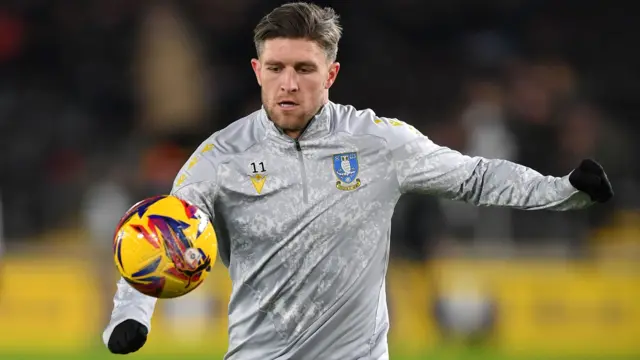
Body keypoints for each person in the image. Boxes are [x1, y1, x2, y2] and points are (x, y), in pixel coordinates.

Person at [103, 3, 613, 359]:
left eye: (305, 67)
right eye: (276, 67)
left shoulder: (378, 142)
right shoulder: (219, 157)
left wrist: (564, 190)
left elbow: (474, 176)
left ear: (331, 73)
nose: (289, 82)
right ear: (257, 69)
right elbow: (161, 235)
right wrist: (132, 318)